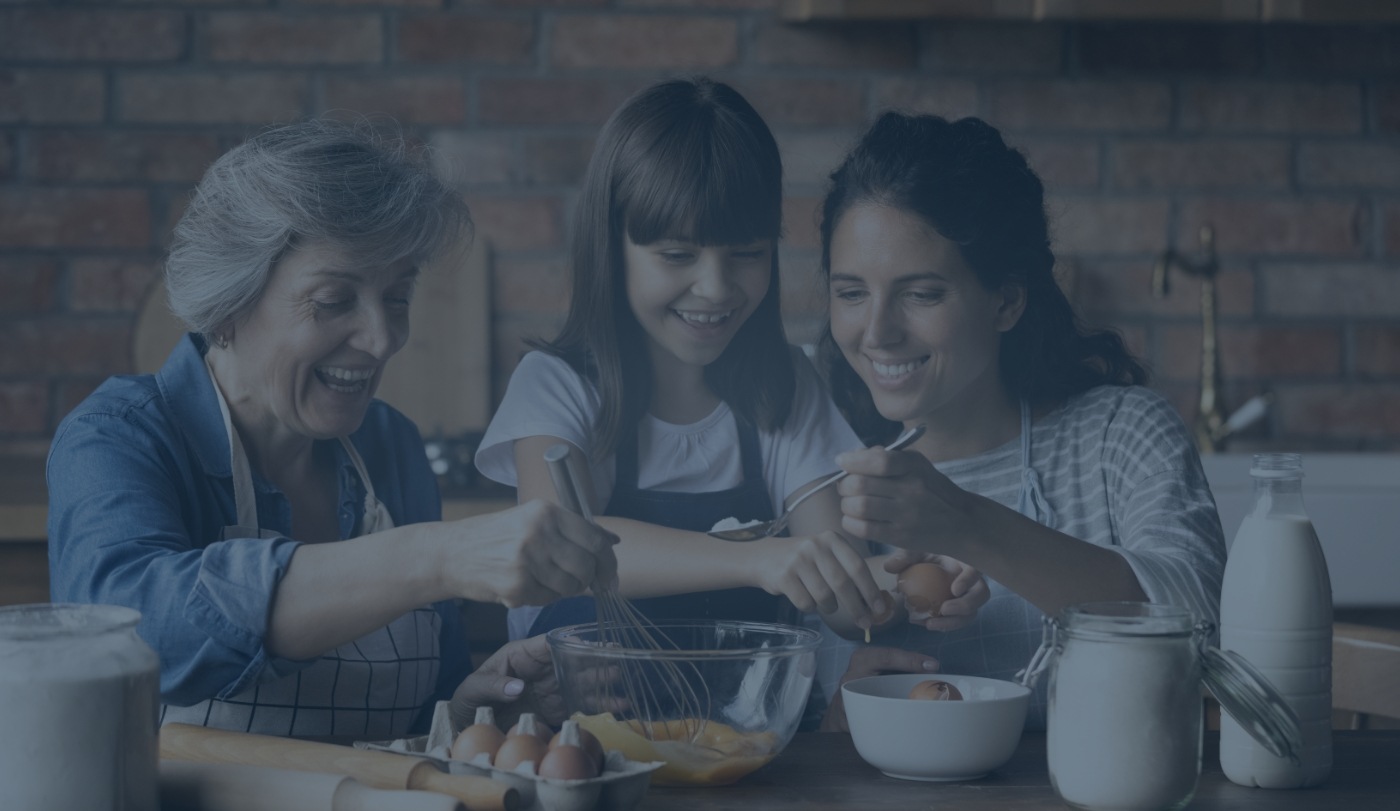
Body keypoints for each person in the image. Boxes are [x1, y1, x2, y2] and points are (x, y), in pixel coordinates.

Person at [47, 119, 619, 739]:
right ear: (231, 302)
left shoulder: (390, 447)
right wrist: (436, 555)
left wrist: (471, 713)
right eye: (333, 300)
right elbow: (129, 636)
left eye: (397, 297)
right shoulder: (118, 438)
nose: (382, 339)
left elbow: (419, 724)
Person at [474, 78, 982, 647]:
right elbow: (563, 548)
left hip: (745, 727)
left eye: (746, 255)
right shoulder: (558, 384)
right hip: (586, 723)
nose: (715, 289)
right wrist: (756, 558)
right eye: (677, 255)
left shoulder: (788, 387)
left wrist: (909, 588)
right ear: (611, 249)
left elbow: (838, 594)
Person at [814, 112, 1227, 730]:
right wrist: (836, 720)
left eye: (921, 294)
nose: (876, 333)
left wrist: (967, 523)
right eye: (851, 293)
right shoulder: (821, 460)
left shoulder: (1120, 433)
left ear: (1006, 300)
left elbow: (1203, 624)